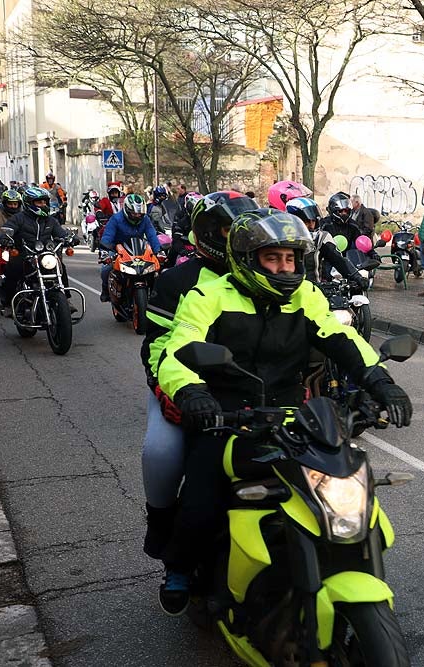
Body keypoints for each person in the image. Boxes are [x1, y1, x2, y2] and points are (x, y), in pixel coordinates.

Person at [154, 209, 412, 614]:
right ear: (246, 258)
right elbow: (178, 352)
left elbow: (339, 337)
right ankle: (181, 567)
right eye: (273, 258)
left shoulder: (306, 296)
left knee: (337, 483)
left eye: (290, 258)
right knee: (202, 501)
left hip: (292, 414)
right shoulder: (208, 297)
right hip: (225, 416)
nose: (284, 267)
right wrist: (191, 393)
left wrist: (382, 383)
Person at [139, 191, 258, 561]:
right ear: (208, 232)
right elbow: (158, 346)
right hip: (184, 388)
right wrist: (167, 392)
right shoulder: (176, 280)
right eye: (228, 230)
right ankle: (161, 527)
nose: (238, 236)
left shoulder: (262, 274)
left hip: (250, 389)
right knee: (161, 450)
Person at [0, 187, 74, 317]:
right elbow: (7, 229)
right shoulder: (19, 218)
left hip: (45, 254)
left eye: (45, 202)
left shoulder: (50, 220)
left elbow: (61, 233)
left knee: (60, 267)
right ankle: (9, 304)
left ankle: (66, 299)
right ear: (29, 203)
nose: (43, 205)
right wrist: (5, 238)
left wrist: (69, 238)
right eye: (39, 202)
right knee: (12, 270)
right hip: (24, 254)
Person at [286, 196, 367, 289]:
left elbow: (338, 260)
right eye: (307, 222)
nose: (312, 226)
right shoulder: (281, 240)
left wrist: (357, 277)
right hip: (286, 292)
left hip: (313, 291)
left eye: (313, 221)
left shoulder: (321, 237)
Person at [99, 193, 162, 302]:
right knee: (106, 269)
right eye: (134, 214)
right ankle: (106, 291)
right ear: (127, 210)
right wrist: (104, 251)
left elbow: (152, 235)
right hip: (118, 250)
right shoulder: (116, 219)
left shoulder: (145, 220)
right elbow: (107, 237)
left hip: (139, 249)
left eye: (140, 214)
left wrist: (159, 251)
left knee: (157, 270)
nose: (138, 216)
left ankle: (155, 296)